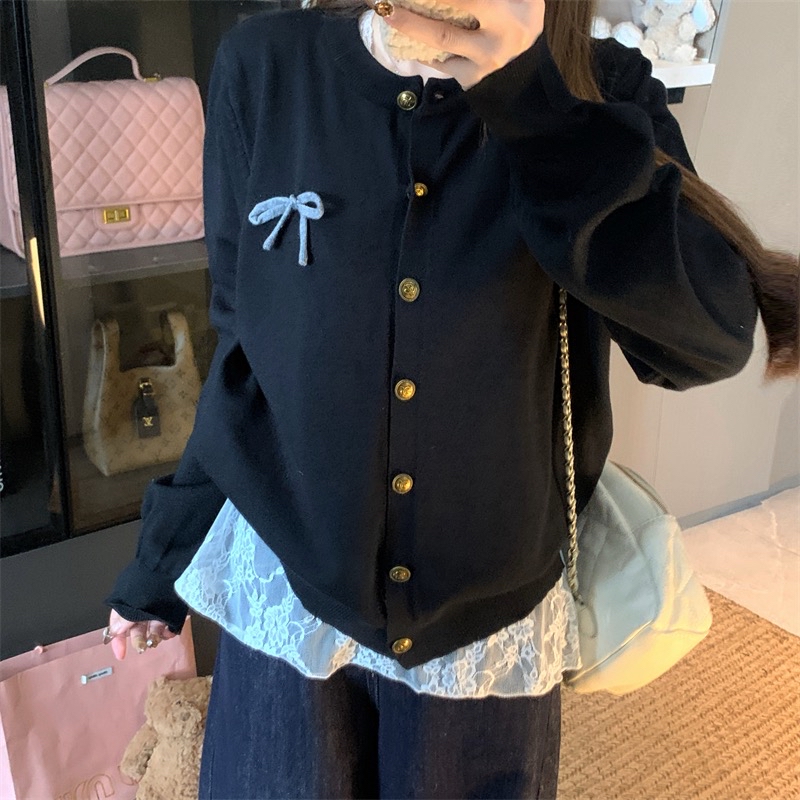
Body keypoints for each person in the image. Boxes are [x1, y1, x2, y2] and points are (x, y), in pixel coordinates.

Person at [102, 0, 799, 797]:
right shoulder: (265, 67)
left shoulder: (599, 89)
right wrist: (160, 561)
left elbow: (706, 340)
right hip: (286, 598)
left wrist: (533, 108)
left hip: (486, 631)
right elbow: (241, 350)